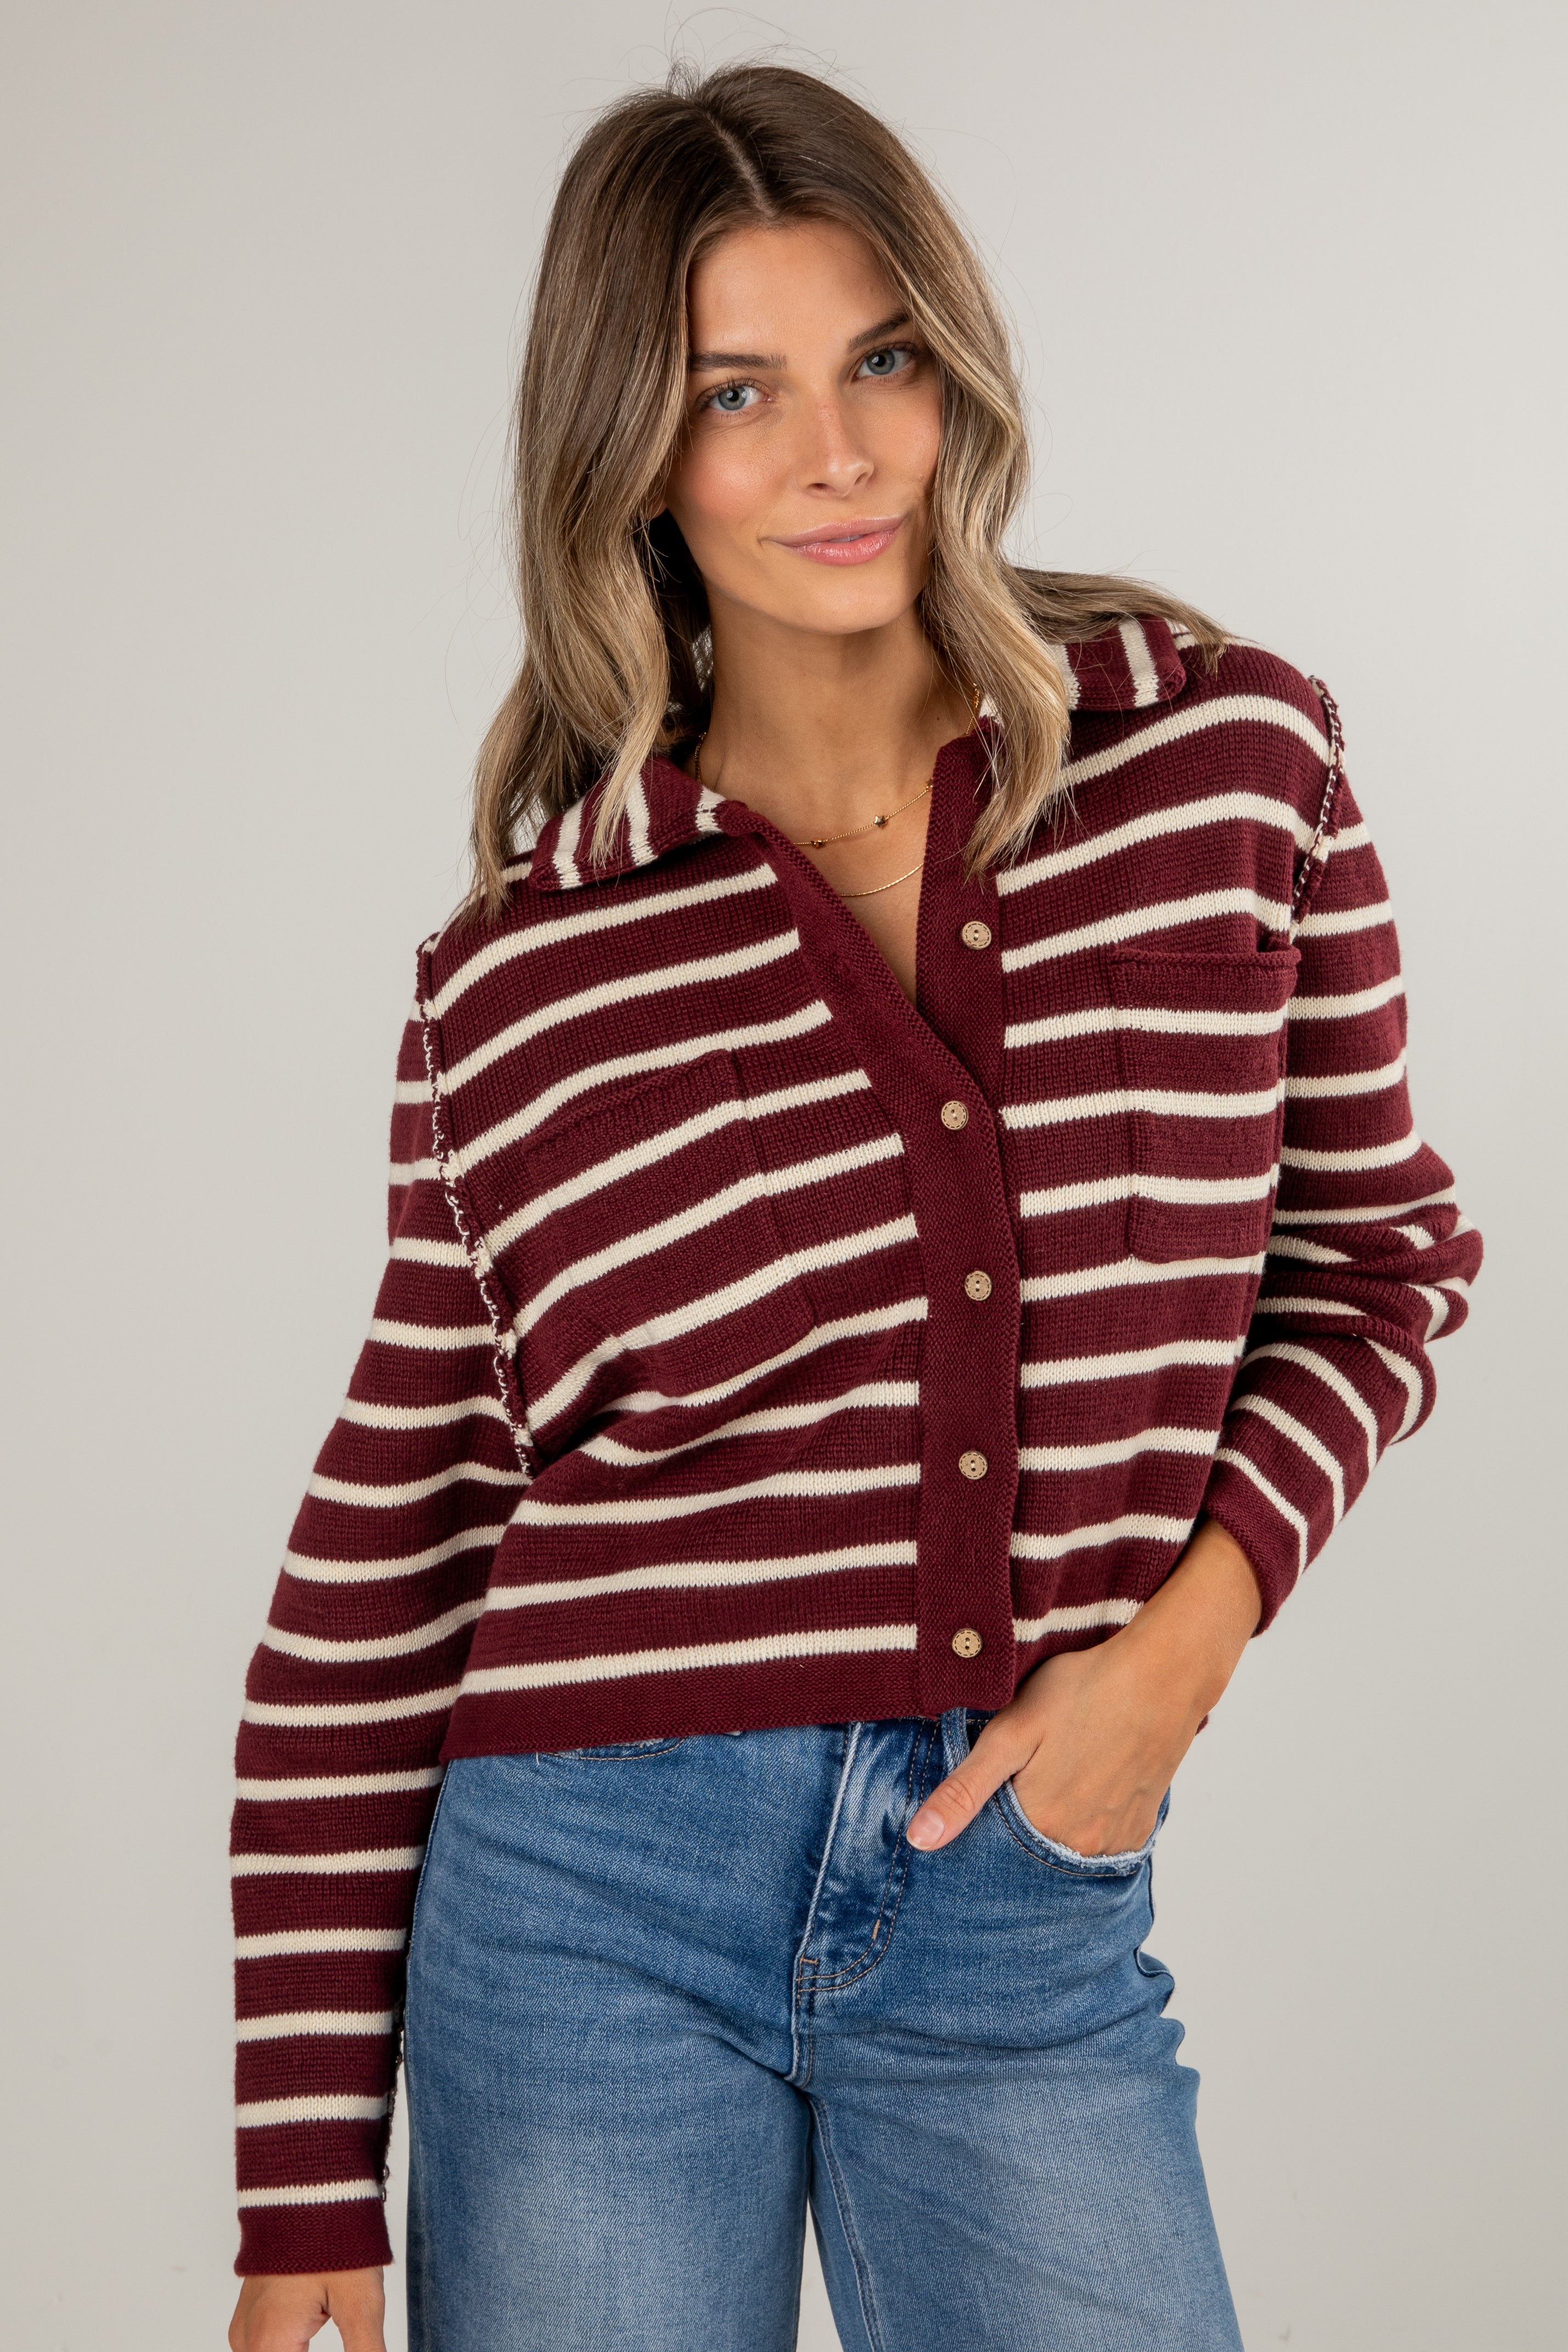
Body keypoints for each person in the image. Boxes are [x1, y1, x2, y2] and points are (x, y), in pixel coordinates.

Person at [227, 61, 1481, 2352]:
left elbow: (1379, 1260)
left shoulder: (1219, 760)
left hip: (1023, 1889)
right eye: (736, 392)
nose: (836, 453)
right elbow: (394, 1536)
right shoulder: (521, 964)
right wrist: (303, 2169)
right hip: (579, 1905)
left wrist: (1170, 1663)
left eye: (881, 357)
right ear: (627, 450)